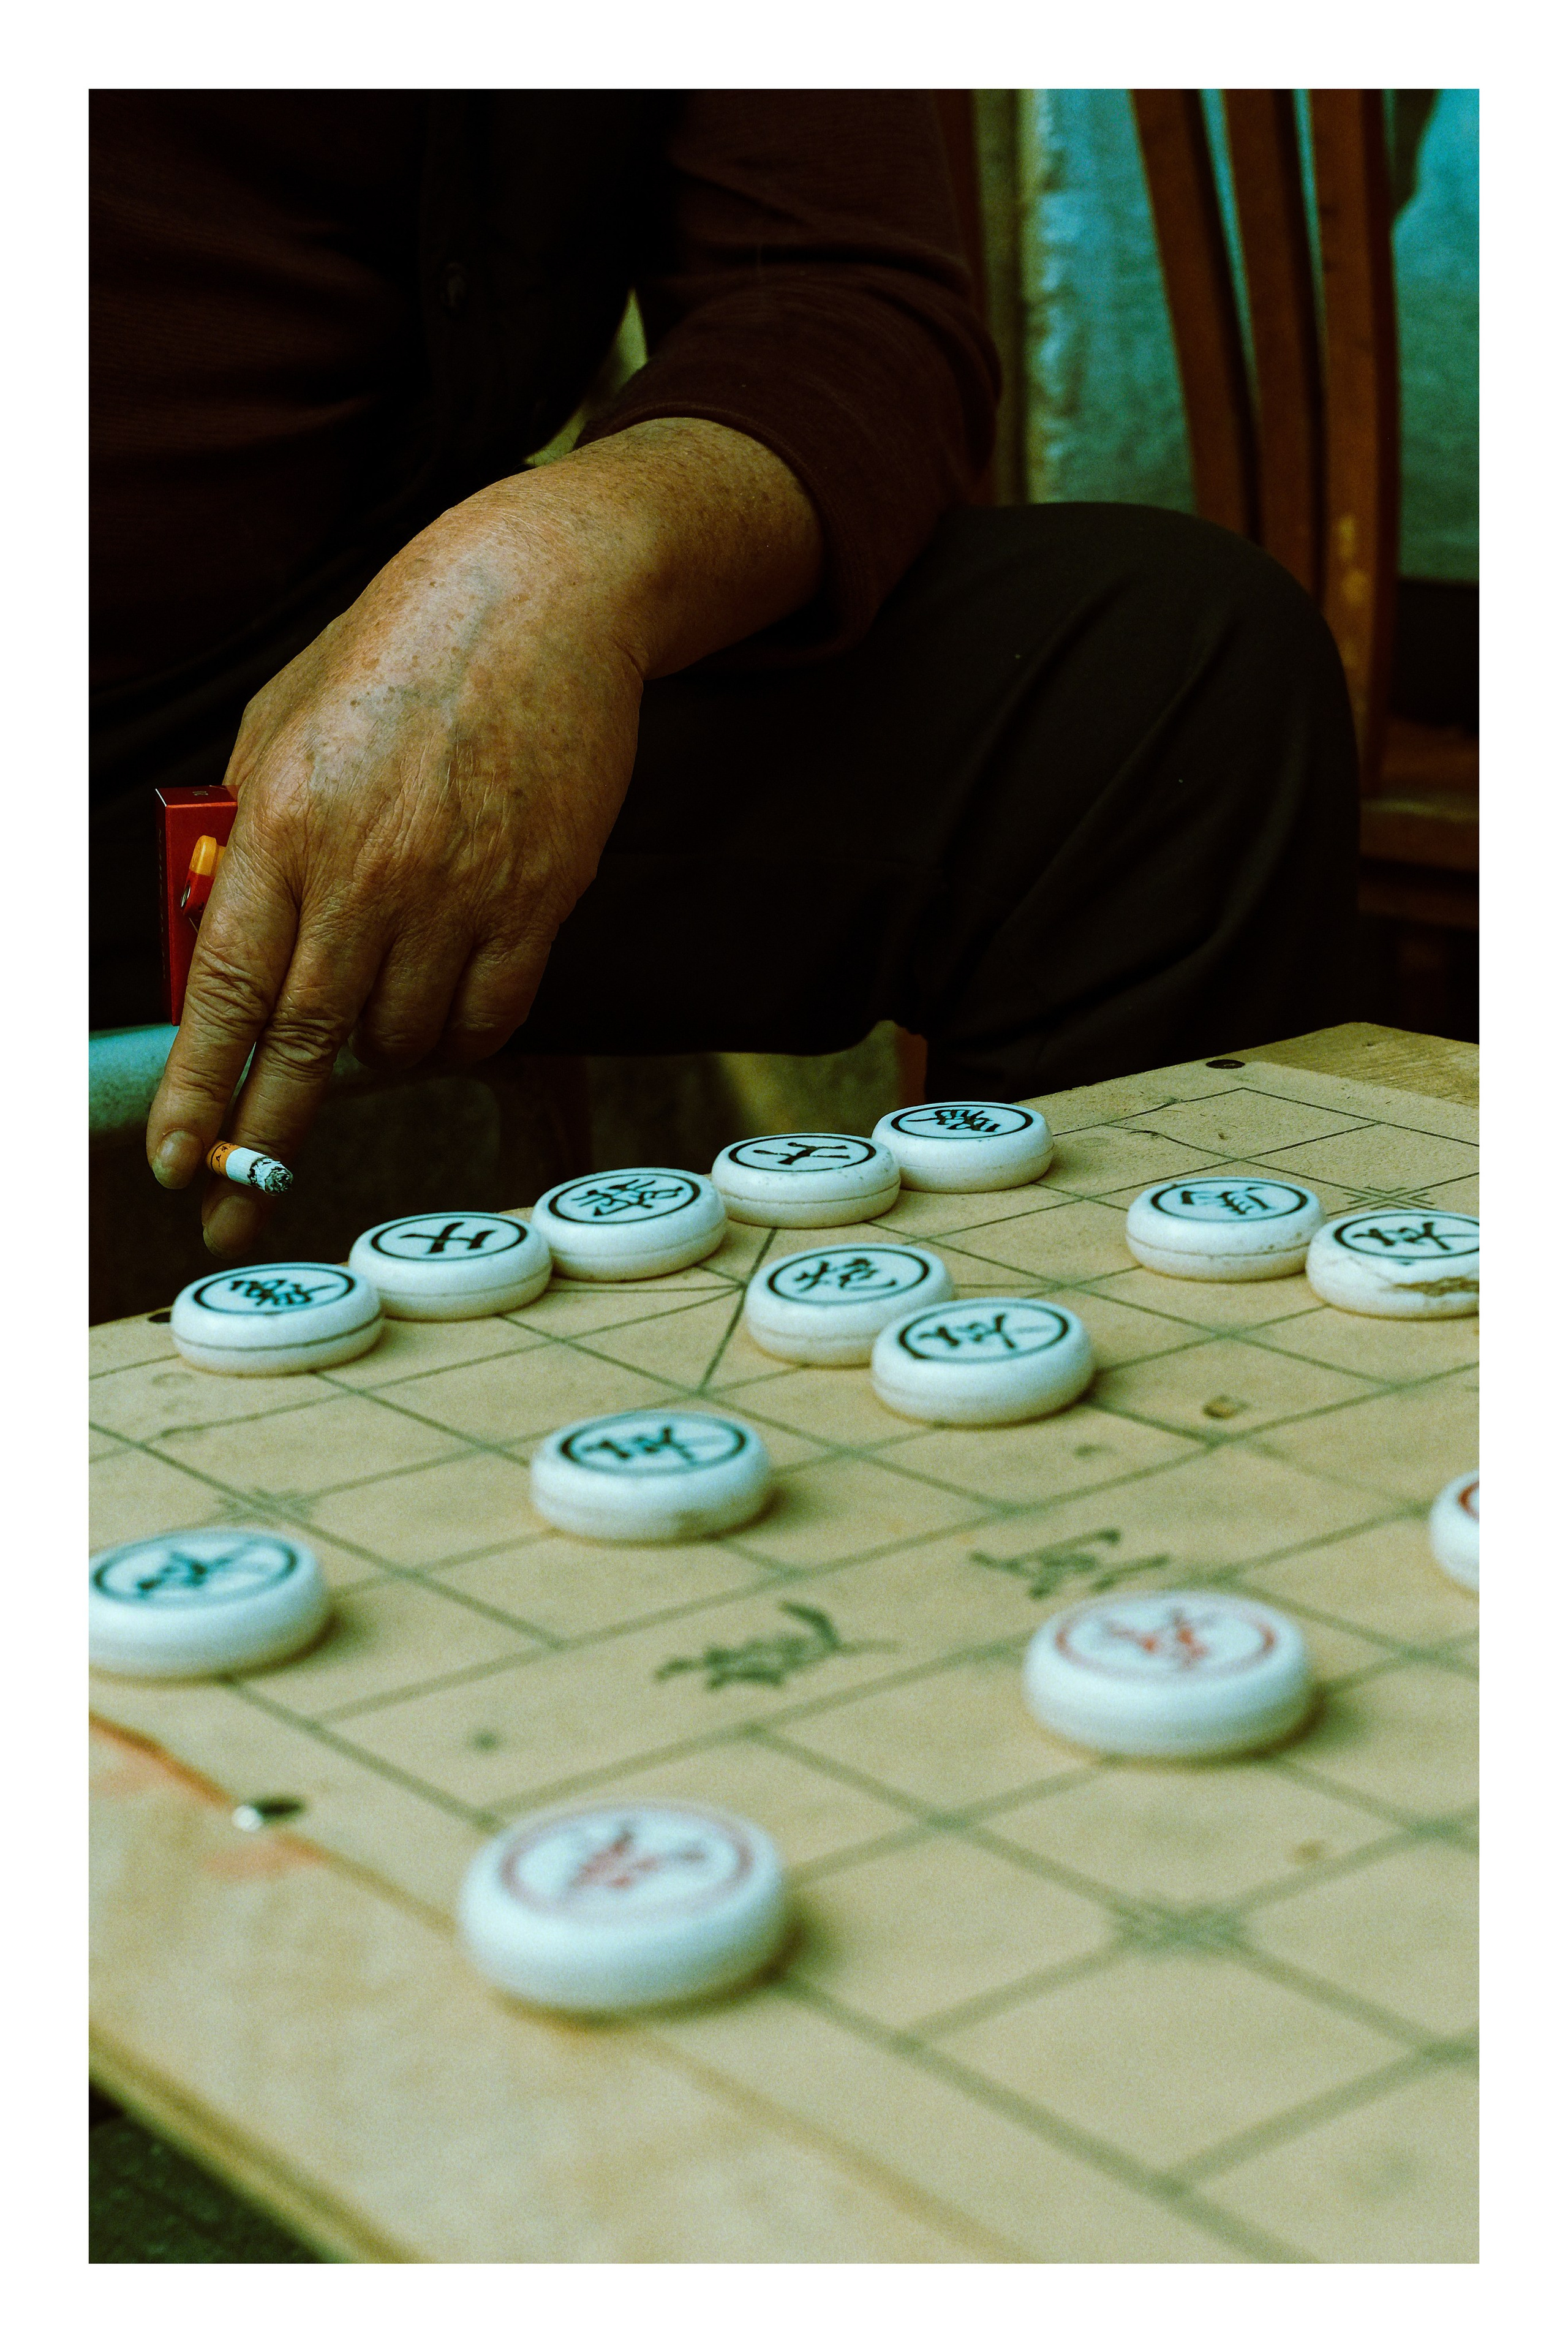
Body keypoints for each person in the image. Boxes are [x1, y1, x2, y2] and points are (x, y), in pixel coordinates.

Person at [92, 91, 1357, 1263]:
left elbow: (838, 289)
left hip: (372, 627)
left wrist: (548, 564)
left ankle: (1050, 1395)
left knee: (1159, 679)